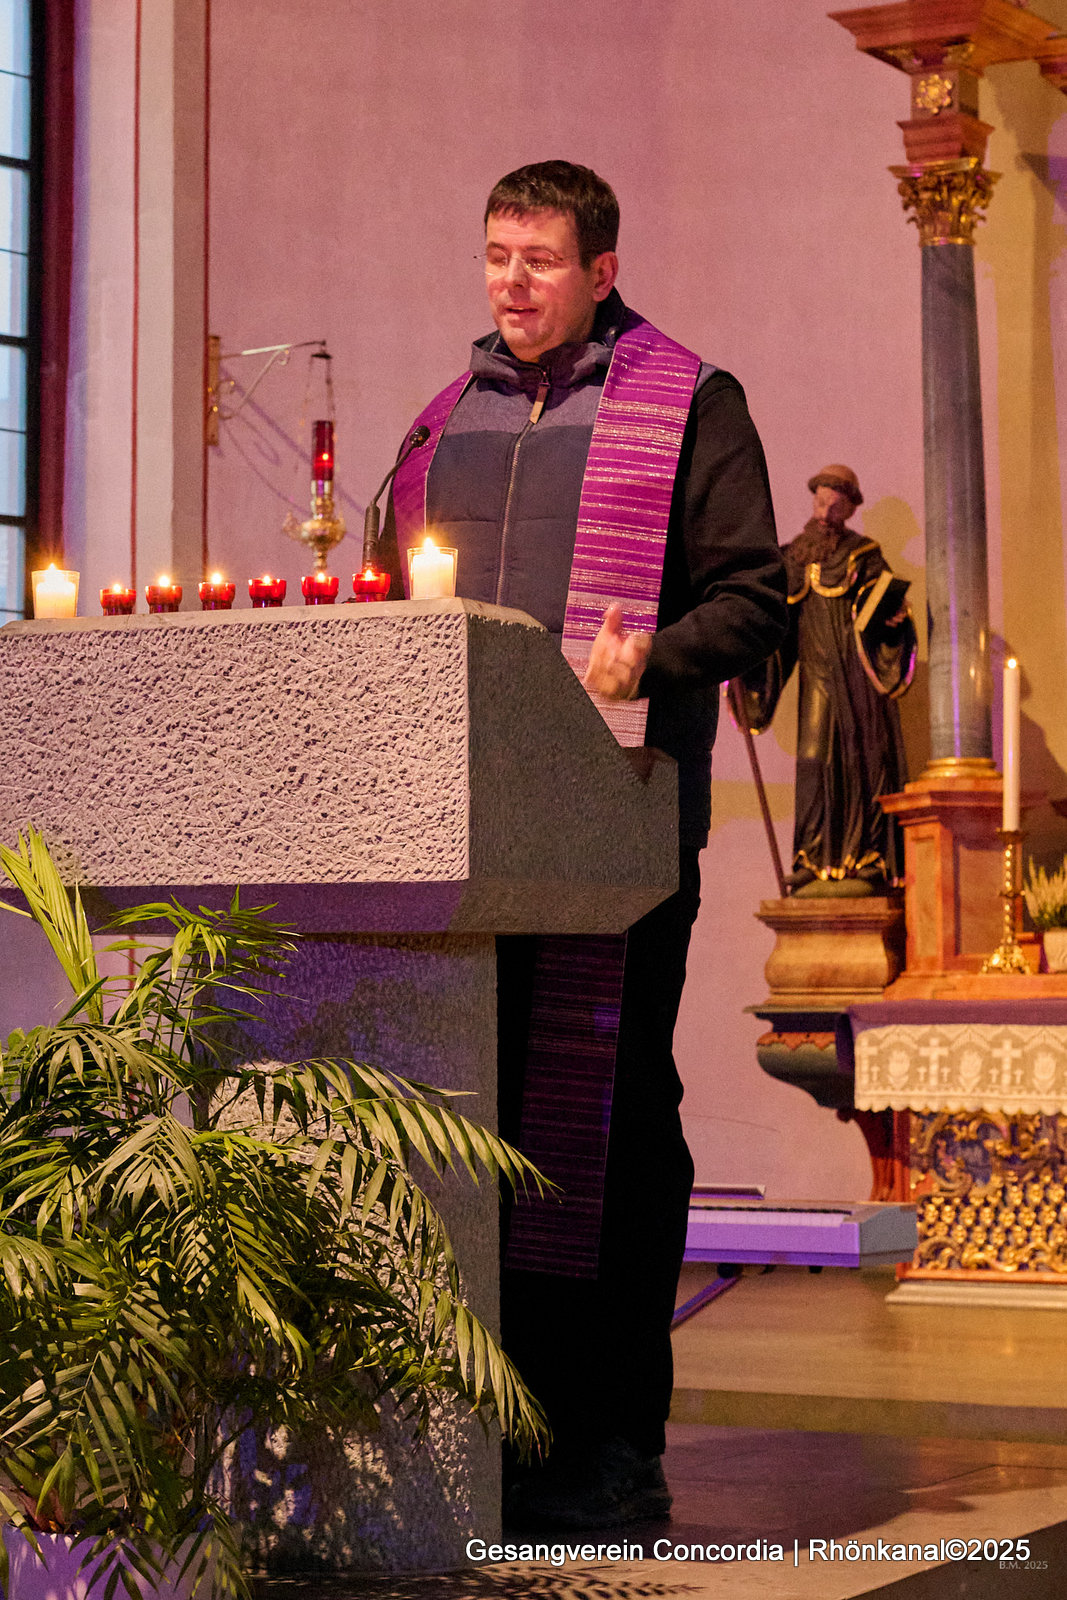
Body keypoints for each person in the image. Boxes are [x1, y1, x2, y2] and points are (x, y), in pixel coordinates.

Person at [381, 161, 787, 1527]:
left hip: (613, 824)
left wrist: (645, 660)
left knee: (606, 1122)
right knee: (471, 1126)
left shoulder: (688, 403)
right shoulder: (441, 422)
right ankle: (477, 1432)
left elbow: (754, 600)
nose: (511, 282)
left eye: (540, 259)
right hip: (452, 836)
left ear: (601, 271)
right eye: (496, 254)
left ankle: (609, 1440)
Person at [734, 466, 916, 893]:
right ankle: (812, 857)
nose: (826, 510)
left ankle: (869, 857)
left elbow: (887, 609)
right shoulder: (793, 557)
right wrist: (744, 648)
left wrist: (894, 618)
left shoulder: (864, 555)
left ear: (850, 508)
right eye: (821, 499)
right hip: (817, 678)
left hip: (858, 678)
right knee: (814, 760)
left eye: (836, 503)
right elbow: (772, 623)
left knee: (862, 760)